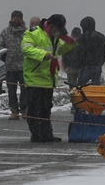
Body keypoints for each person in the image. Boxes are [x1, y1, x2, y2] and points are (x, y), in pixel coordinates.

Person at [21, 14, 77, 142]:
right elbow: (26, 49)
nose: (59, 33)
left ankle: (47, 134)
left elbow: (58, 52)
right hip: (34, 78)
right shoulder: (33, 33)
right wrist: (43, 55)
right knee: (34, 109)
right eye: (58, 30)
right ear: (51, 26)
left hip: (48, 78)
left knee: (46, 109)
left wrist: (70, 43)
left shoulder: (55, 37)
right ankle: (36, 135)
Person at [0, 10, 27, 120]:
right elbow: (0, 47)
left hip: (24, 66)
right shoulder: (5, 32)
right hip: (10, 67)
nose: (15, 20)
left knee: (25, 90)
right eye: (14, 17)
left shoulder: (26, 33)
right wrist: (4, 60)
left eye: (18, 18)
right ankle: (14, 111)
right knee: (11, 90)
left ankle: (24, 109)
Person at [75, 16, 105, 86]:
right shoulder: (101, 37)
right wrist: (100, 62)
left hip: (85, 66)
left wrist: (79, 63)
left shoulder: (81, 38)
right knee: (95, 88)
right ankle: (94, 97)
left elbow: (77, 52)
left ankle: (81, 97)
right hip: (97, 66)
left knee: (80, 87)